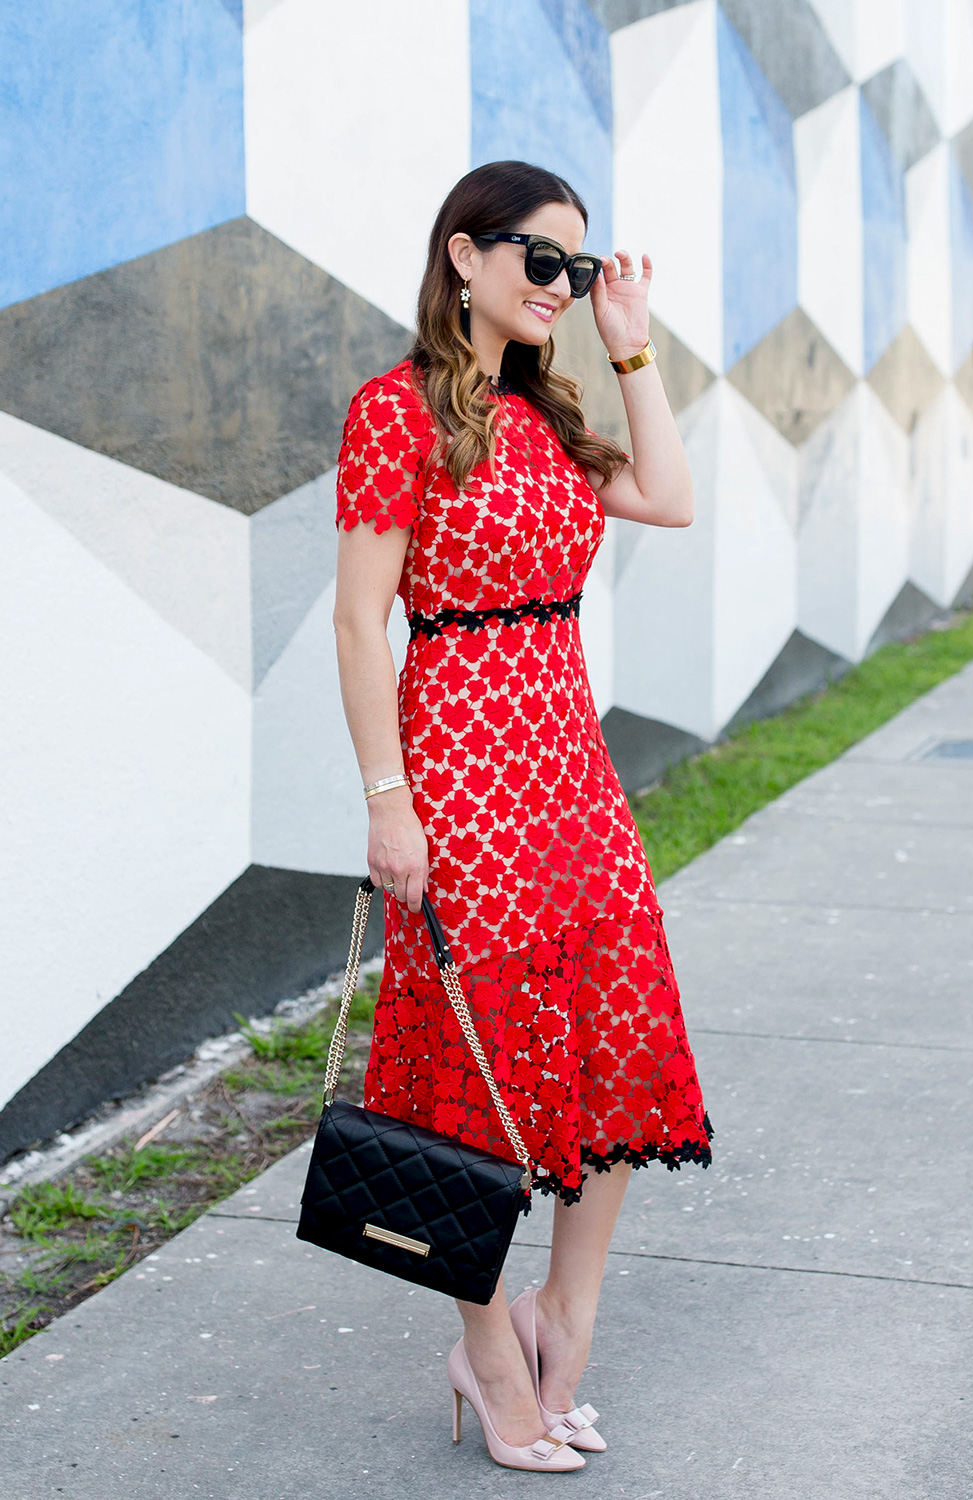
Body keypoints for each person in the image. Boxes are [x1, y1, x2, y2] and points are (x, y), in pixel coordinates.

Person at [332, 159, 712, 1472]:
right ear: (465, 259)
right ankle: (488, 1355)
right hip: (459, 770)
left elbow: (668, 495)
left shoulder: (552, 416)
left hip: (569, 766)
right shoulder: (395, 416)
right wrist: (390, 805)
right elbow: (356, 620)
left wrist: (633, 350)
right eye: (542, 262)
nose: (563, 285)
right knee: (471, 1066)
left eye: (579, 265)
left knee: (622, 1025)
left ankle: (567, 1319)